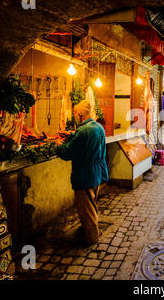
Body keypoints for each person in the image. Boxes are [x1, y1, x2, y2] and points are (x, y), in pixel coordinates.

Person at [56, 100, 108, 245]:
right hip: (97, 173)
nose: (75, 117)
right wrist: (72, 134)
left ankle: (91, 237)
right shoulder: (98, 127)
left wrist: (59, 146)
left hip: (84, 175)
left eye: (75, 114)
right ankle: (87, 230)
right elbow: (88, 141)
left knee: (86, 209)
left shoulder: (83, 130)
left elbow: (68, 152)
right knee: (91, 205)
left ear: (79, 114)